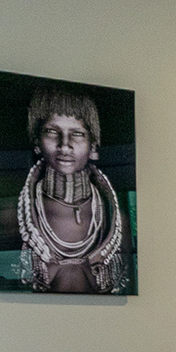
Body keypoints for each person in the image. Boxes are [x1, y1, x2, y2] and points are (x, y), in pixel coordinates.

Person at [8, 84, 129, 293]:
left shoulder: (116, 219)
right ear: (37, 143)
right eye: (52, 132)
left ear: (94, 148)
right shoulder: (12, 216)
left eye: (78, 134)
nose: (65, 145)